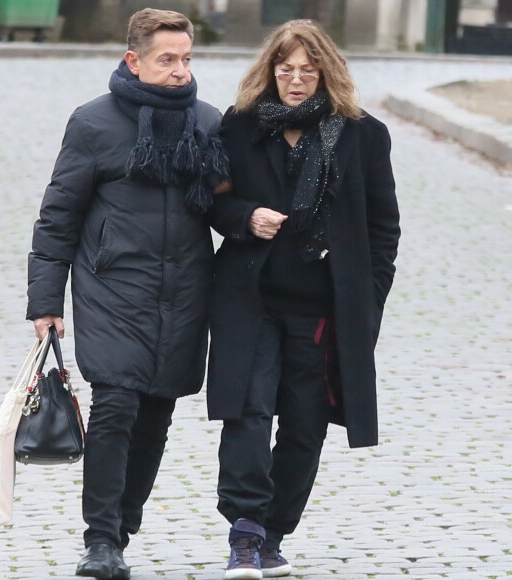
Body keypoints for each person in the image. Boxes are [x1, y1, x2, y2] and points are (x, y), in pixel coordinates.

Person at [26, 8, 227, 579]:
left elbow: (224, 207)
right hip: (112, 287)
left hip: (186, 289)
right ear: (133, 60)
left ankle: (122, 529)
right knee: (116, 406)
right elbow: (58, 216)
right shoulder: (94, 123)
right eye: (167, 60)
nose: (179, 71)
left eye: (186, 59)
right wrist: (45, 302)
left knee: (156, 413)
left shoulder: (207, 123)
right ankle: (100, 539)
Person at [206, 19, 400, 579]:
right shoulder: (240, 128)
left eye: (307, 71)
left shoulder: (363, 134)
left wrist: (366, 299)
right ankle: (244, 531)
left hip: (322, 309)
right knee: (246, 411)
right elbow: (212, 206)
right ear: (269, 70)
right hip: (250, 299)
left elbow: (383, 228)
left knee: (304, 424)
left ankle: (273, 532)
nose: (295, 80)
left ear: (326, 73)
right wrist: (246, 217)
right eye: (285, 69)